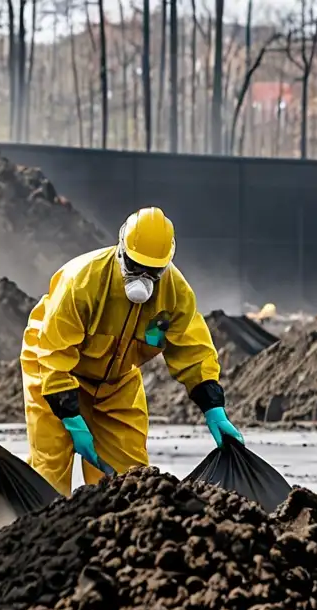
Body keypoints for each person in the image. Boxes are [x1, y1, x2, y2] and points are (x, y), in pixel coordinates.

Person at [20, 206, 243, 496]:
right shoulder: (82, 282)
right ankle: (21, 517)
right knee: (49, 469)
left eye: (153, 271)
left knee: (129, 482)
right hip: (55, 370)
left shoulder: (175, 295)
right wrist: (70, 415)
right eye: (135, 267)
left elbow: (193, 349)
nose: (142, 279)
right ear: (121, 250)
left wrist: (214, 408)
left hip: (116, 381)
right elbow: (53, 352)